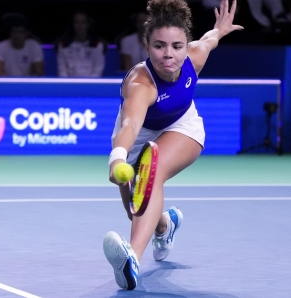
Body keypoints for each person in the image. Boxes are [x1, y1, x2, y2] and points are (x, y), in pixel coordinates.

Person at [103, 0, 243, 290]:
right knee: (136, 208)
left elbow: (209, 40)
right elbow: (129, 125)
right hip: (137, 135)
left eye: (177, 46)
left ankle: (133, 260)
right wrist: (117, 159)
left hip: (182, 126)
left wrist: (218, 30)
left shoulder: (196, 56)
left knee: (154, 171)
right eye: (159, 46)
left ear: (186, 45)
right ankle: (165, 225)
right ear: (147, 46)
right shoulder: (141, 85)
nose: (168, 55)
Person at [55, 11, 106, 77]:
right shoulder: (63, 45)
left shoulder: (97, 45)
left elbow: (98, 70)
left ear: (88, 24)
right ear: (72, 24)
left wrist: (89, 84)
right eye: (76, 22)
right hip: (69, 84)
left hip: (91, 84)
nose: (79, 25)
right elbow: (62, 71)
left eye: (83, 22)